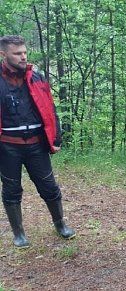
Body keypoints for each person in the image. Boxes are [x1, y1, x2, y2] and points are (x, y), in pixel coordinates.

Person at [0, 35, 75, 248]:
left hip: (36, 144)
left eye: (24, 52)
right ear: (3, 54)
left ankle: (60, 224)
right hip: (7, 146)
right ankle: (19, 233)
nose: (23, 57)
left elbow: (50, 109)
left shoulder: (37, 77)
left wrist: (56, 137)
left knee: (49, 186)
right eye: (17, 53)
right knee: (11, 189)